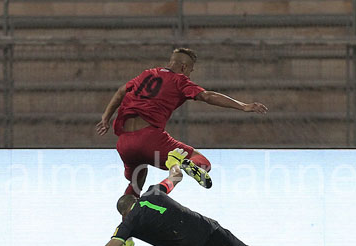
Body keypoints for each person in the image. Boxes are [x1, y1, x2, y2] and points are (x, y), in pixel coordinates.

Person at [46, 149, 310, 246]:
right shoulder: (153, 192)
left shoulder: (129, 223)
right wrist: (174, 161)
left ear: (124, 211)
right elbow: (175, 177)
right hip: (214, 232)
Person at [95, 47, 268, 197]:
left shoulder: (146, 74)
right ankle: (164, 185)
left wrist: (105, 118)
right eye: (190, 70)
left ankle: (125, 231)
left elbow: (120, 92)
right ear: (185, 67)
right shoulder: (180, 80)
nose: (189, 74)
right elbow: (208, 96)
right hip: (149, 138)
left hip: (124, 143)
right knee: (201, 162)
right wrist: (244, 106)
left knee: (135, 183)